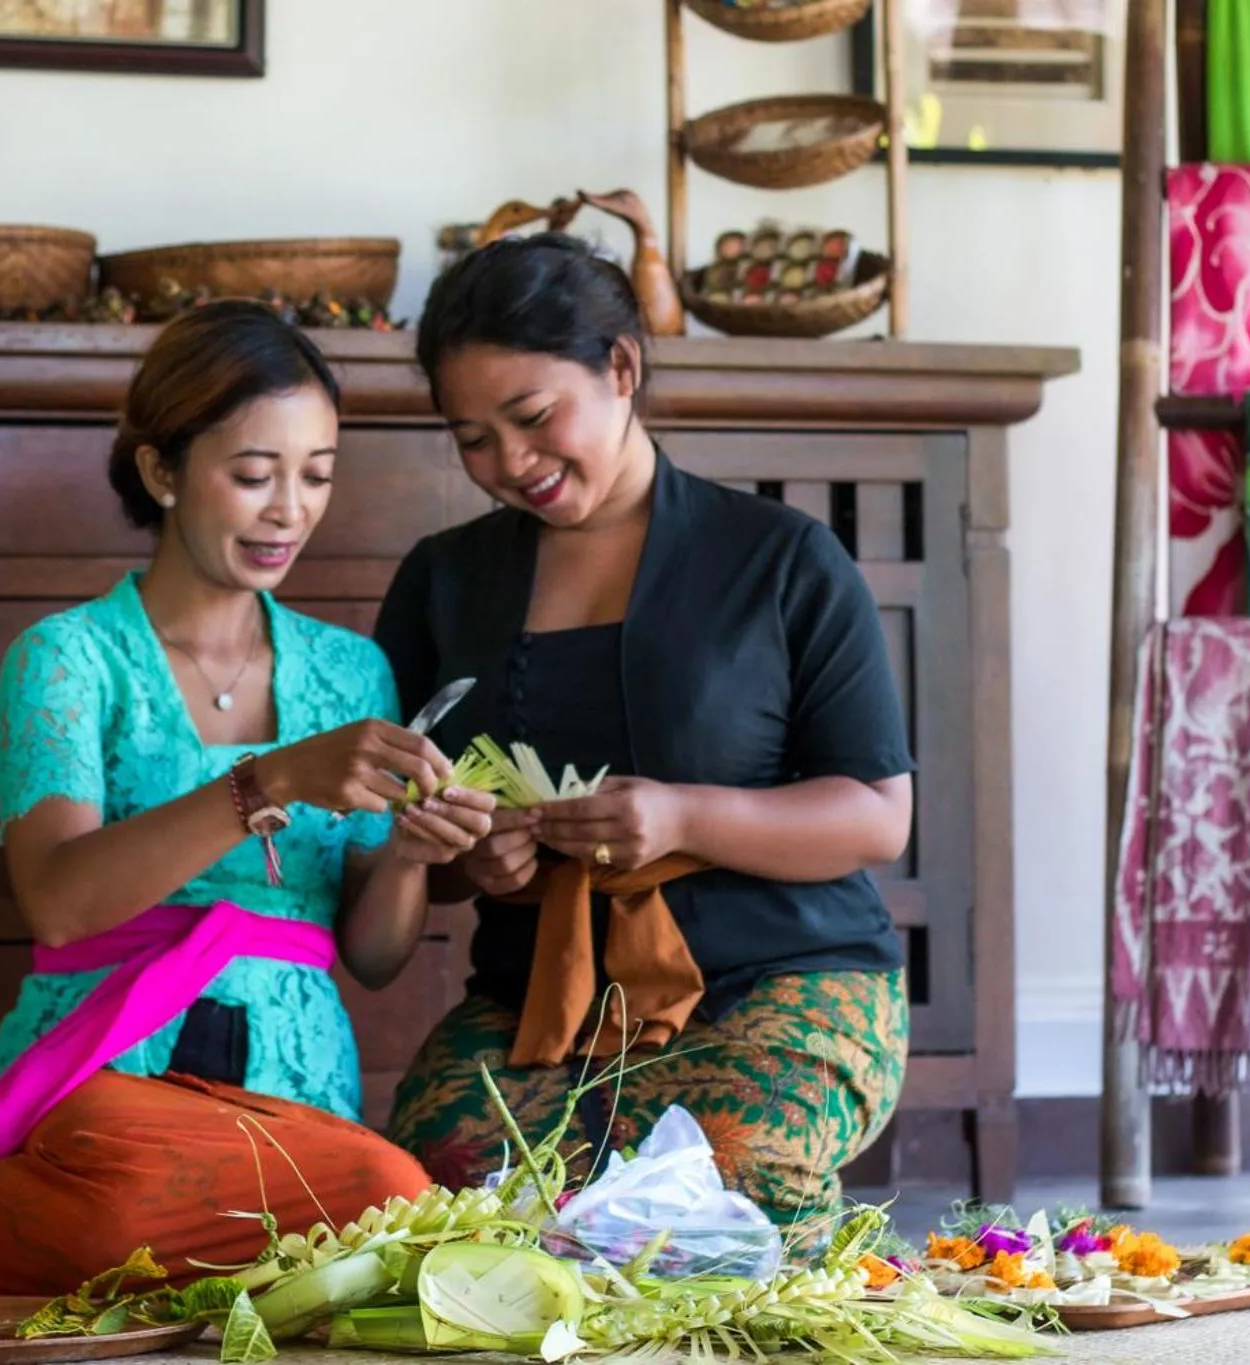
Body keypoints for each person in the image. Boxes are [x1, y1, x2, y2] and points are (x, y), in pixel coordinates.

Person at [0, 301, 493, 1292]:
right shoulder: (67, 659)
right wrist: (265, 781)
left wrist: (411, 859)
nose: (288, 509)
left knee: (381, 1204)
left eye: (315, 476)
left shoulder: (351, 676)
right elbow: (61, 902)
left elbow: (375, 958)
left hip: (293, 1087)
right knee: (134, 1210)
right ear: (160, 470)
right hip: (108, 1073)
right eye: (253, 475)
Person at [374, 235, 914, 1223]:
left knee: (724, 1190)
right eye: (471, 438)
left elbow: (877, 816)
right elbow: (417, 850)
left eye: (533, 417)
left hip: (777, 976)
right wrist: (474, 859)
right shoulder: (441, 580)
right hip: (542, 1002)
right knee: (430, 1202)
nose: (509, 462)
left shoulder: (781, 558)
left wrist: (681, 817)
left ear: (620, 367)